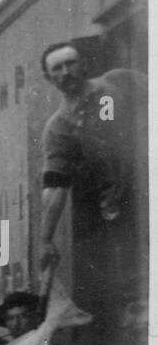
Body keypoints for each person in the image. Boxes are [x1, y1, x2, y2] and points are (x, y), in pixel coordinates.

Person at [38, 42, 147, 323]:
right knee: (138, 291)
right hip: (123, 211)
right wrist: (46, 238)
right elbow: (55, 186)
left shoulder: (120, 82)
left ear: (83, 64)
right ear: (48, 78)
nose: (66, 72)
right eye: (57, 68)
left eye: (70, 63)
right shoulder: (59, 127)